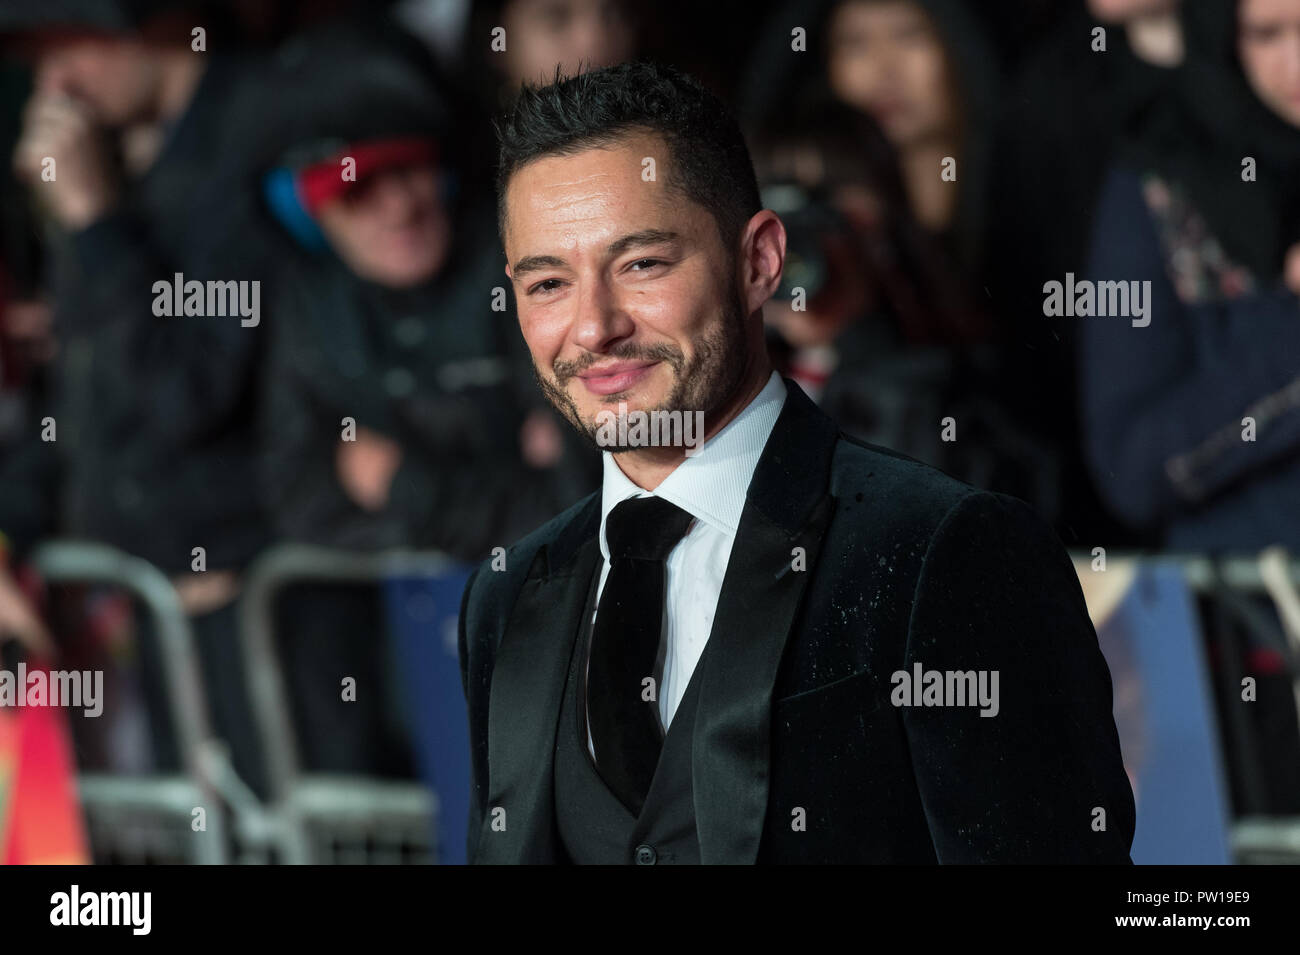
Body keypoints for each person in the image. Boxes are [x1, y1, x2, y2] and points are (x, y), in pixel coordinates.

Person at [458, 61, 1135, 864]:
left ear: (759, 261)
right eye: (547, 283)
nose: (594, 326)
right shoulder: (509, 595)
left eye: (642, 264)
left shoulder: (942, 551)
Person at [5, 2, 273, 796]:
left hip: (261, 613)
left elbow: (186, 392)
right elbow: (76, 416)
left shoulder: (251, 147)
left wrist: (95, 224)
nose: (53, 83)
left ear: (160, 25)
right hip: (149, 612)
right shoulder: (116, 163)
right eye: (36, 55)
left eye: (71, 45)